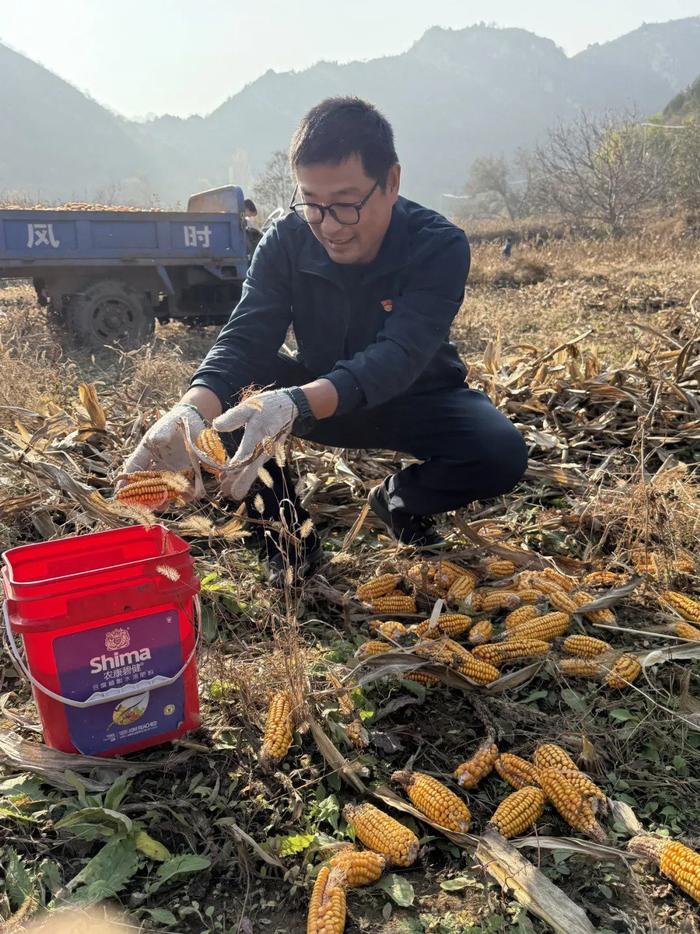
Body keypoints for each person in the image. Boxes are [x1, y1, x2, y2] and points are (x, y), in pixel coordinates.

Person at [121, 98, 527, 583]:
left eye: (346, 204)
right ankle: (286, 539)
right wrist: (188, 413)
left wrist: (295, 403)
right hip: (318, 396)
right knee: (231, 400)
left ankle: (399, 500)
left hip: (415, 398)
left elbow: (400, 355)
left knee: (500, 451)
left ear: (391, 182)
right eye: (312, 203)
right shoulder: (286, 241)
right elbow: (247, 337)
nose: (329, 225)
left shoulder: (438, 245)